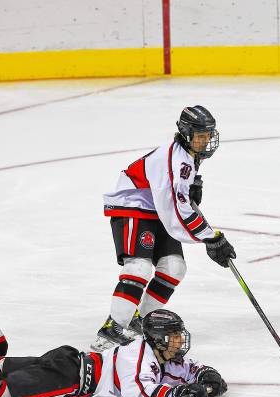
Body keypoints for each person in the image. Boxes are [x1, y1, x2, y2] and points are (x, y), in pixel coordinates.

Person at [0, 276, 227, 397]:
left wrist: (205, 379)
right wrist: (178, 394)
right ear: (159, 339)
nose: (178, 342)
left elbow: (187, 369)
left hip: (71, 361)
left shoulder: (157, 353)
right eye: (173, 337)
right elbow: (140, 395)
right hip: (71, 376)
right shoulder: (138, 356)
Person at [93, 105, 237, 351]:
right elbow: (178, 211)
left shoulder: (189, 156)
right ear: (185, 133)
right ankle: (112, 329)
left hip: (155, 211)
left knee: (174, 268)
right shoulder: (178, 159)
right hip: (132, 206)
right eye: (200, 135)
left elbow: (175, 203)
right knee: (138, 268)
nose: (205, 141)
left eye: (208, 136)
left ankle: (143, 320)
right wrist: (211, 238)